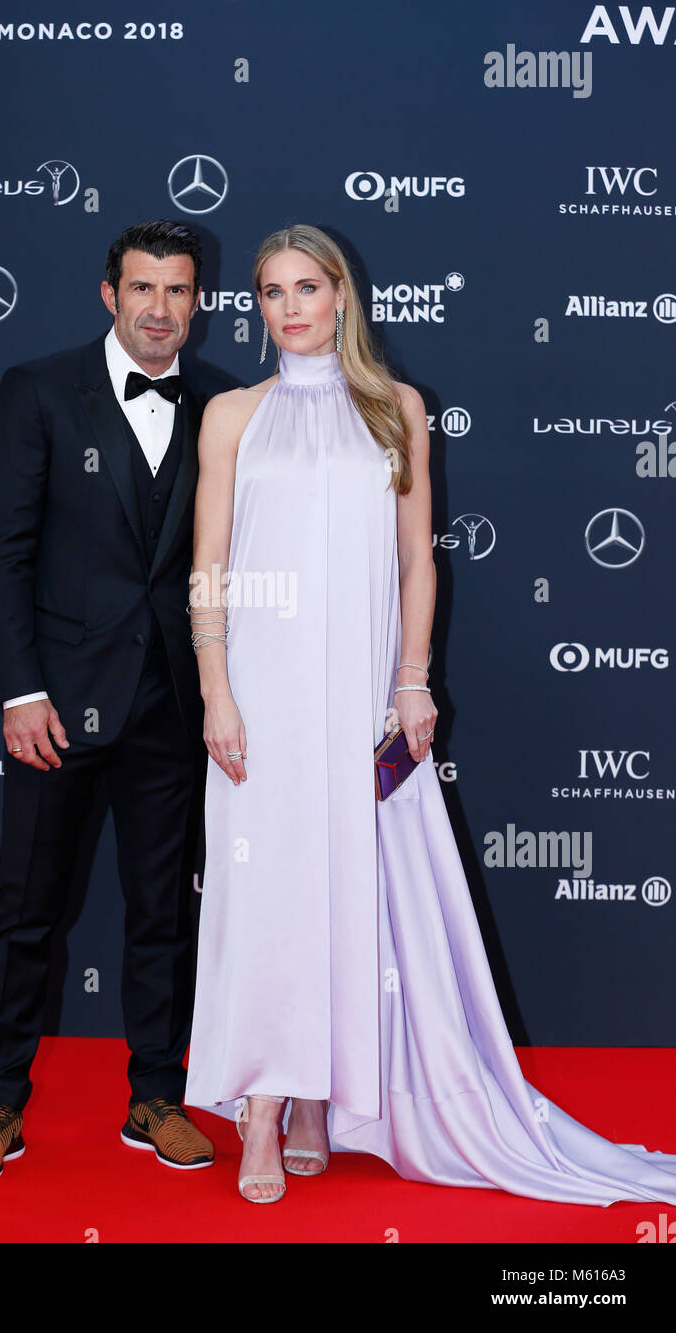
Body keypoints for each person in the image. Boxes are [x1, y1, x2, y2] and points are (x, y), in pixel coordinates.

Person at [183, 224, 676, 1206]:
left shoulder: (394, 409)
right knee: (268, 899)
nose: (290, 307)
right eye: (272, 291)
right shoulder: (232, 415)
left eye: (307, 288)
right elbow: (210, 565)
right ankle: (262, 1110)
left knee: (350, 891)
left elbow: (417, 559)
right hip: (264, 694)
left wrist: (411, 680)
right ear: (257, 305)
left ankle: (325, 1097)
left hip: (363, 691)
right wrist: (215, 689)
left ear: (341, 298)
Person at [0, 220, 214, 1183]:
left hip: (172, 706)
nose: (158, 309)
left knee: (164, 916)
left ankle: (155, 1097)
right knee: (25, 910)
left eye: (177, 291)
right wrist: (19, 689)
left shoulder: (222, 402)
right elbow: (5, 552)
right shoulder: (38, 389)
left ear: (198, 301)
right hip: (55, 703)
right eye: (141, 288)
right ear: (110, 295)